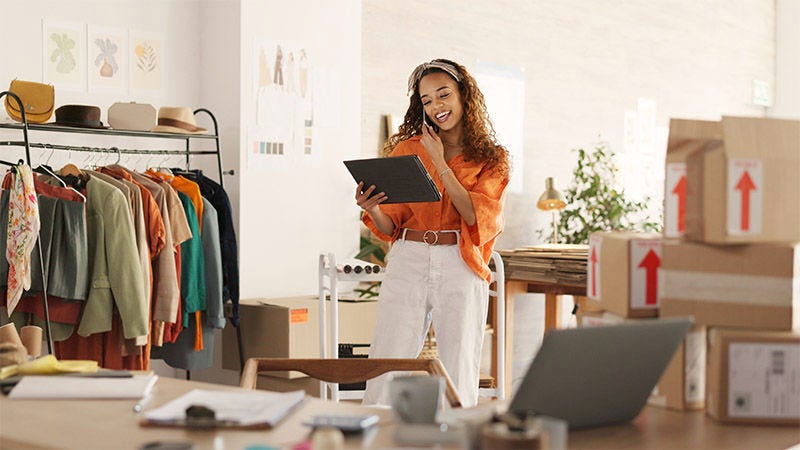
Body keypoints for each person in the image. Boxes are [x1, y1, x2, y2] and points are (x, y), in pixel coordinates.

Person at [357, 59, 510, 407]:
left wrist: (440, 161)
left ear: (463, 95)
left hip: (460, 261)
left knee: (459, 362)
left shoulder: (492, 158)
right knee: (388, 356)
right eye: (427, 100)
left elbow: (476, 213)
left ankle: (455, 439)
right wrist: (372, 208)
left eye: (443, 95)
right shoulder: (407, 150)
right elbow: (390, 226)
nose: (436, 106)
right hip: (409, 257)